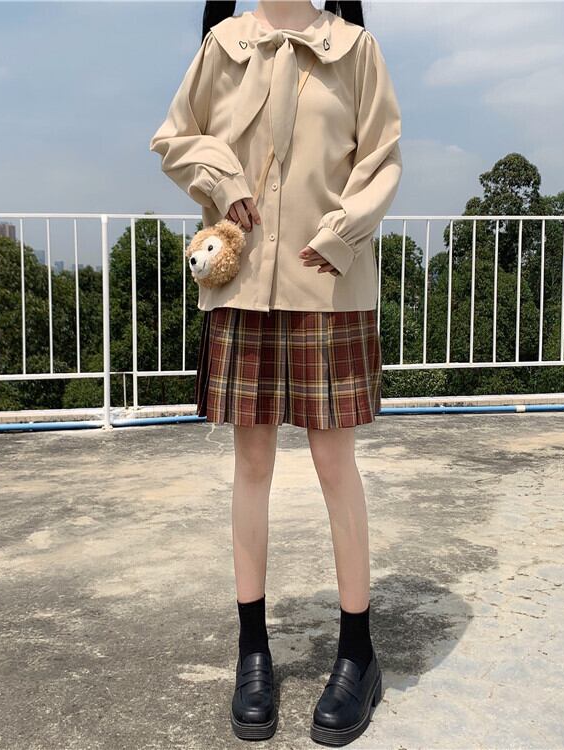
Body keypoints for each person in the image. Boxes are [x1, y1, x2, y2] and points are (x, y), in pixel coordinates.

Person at [148, 1, 402, 744]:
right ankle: (252, 650)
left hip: (329, 282)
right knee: (252, 463)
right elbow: (173, 137)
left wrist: (342, 234)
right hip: (242, 285)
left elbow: (382, 155)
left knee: (334, 465)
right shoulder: (222, 45)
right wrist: (223, 176)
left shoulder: (356, 48)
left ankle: (358, 652)